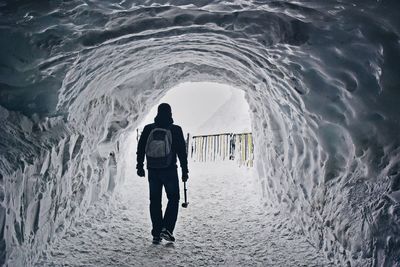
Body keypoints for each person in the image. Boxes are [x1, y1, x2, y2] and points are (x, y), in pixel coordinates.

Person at [136, 103, 189, 244]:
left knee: (155, 201)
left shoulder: (149, 129)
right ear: (170, 113)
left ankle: (156, 233)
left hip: (153, 170)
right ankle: (167, 228)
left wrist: (139, 166)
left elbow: (141, 148)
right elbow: (182, 153)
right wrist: (185, 171)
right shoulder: (175, 129)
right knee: (173, 198)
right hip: (169, 170)